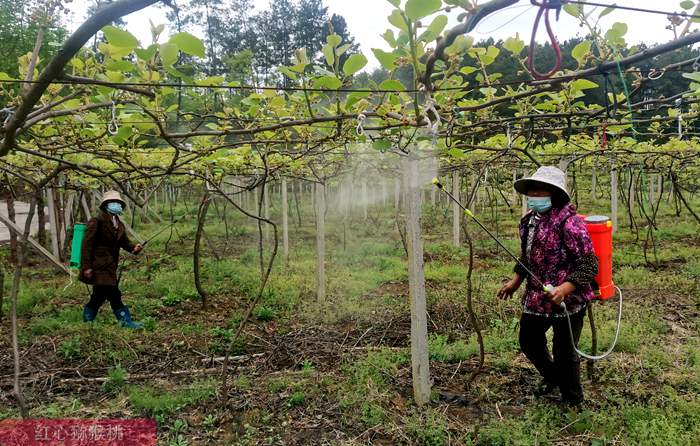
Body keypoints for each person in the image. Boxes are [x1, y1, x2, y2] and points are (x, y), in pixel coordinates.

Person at [497, 166, 598, 408]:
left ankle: (573, 401)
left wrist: (565, 288)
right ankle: (553, 378)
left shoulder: (570, 223)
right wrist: (515, 281)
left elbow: (589, 263)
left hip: (568, 300)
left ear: (554, 194)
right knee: (529, 340)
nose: (534, 195)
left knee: (565, 351)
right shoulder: (528, 221)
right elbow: (528, 256)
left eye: (540, 191)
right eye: (532, 190)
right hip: (537, 297)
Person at [79, 190, 144, 329]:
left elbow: (124, 243)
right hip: (98, 266)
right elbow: (86, 245)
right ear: (105, 205)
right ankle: (126, 321)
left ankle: (88, 319)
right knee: (114, 293)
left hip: (110, 266)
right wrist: (86, 267)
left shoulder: (119, 224)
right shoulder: (96, 221)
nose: (116, 205)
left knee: (99, 295)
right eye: (112, 202)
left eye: (118, 203)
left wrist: (134, 248)